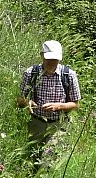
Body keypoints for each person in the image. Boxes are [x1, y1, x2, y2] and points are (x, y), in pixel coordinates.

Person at [16, 40, 80, 168]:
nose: (51, 62)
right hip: (36, 123)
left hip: (58, 125)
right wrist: (27, 103)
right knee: (32, 158)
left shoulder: (69, 75)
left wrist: (58, 106)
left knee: (48, 162)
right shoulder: (31, 73)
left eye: (55, 59)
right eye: (48, 59)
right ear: (42, 56)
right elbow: (19, 100)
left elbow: (75, 104)